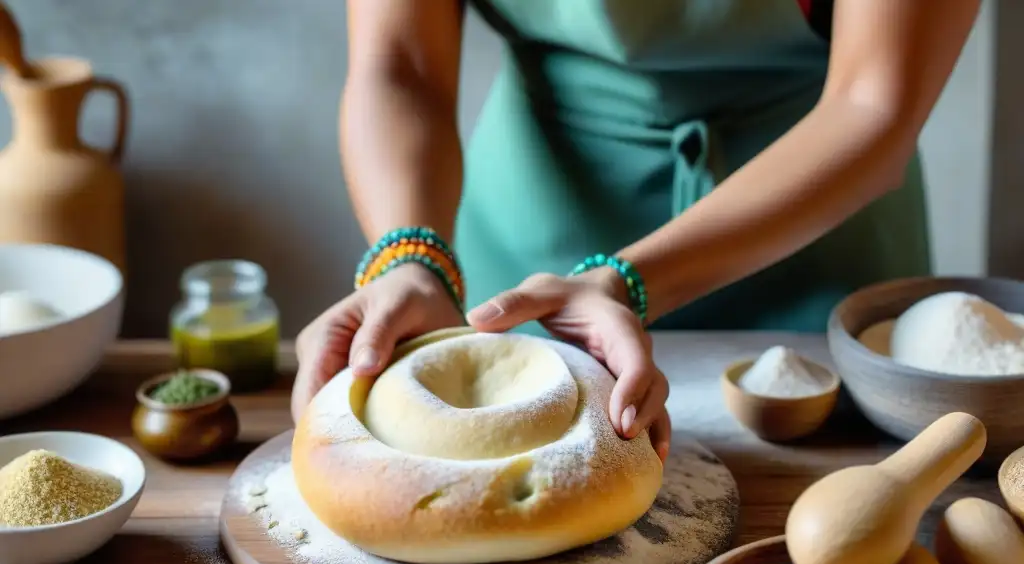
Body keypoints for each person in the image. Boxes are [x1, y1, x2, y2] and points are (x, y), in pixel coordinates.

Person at [292, 0, 980, 461]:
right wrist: (411, 257)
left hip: (811, 226)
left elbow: (873, 105)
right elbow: (400, 65)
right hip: (532, 244)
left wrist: (625, 283)